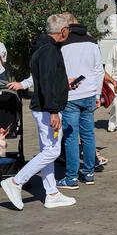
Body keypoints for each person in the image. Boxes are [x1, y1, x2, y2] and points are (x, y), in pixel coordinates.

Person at [1, 14, 76, 210]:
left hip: (42, 107)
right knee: (52, 151)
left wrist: (63, 83)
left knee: (48, 151)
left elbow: (43, 78)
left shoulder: (42, 48)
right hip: (46, 109)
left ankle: (51, 193)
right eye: (68, 28)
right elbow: (48, 82)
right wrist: (53, 111)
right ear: (63, 31)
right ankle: (16, 182)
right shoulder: (50, 50)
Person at [56, 15, 105, 189]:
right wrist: (98, 94)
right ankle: (89, 173)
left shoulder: (62, 42)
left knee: (70, 137)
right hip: (90, 93)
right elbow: (99, 70)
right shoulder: (92, 41)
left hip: (70, 95)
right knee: (88, 134)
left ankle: (71, 177)